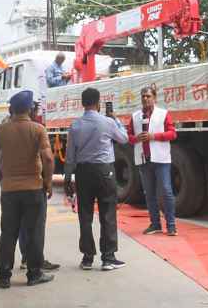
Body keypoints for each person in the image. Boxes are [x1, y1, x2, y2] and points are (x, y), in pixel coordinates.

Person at [0, 91, 55, 288]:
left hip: (9, 190)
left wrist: (1, 176)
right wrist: (48, 182)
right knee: (34, 232)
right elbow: (49, 158)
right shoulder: (38, 129)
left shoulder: (1, 130)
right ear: (30, 109)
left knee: (8, 232)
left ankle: (4, 276)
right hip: (34, 189)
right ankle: (34, 274)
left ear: (11, 110)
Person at [63, 87, 128, 271]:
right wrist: (115, 118)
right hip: (104, 172)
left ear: (83, 104)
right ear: (98, 103)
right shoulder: (107, 122)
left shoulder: (75, 126)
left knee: (85, 215)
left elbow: (70, 155)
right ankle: (108, 257)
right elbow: (123, 139)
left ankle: (87, 258)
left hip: (83, 172)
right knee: (107, 212)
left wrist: (68, 177)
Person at [128, 86, 178, 236]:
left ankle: (171, 225)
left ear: (154, 98)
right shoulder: (135, 116)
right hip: (144, 159)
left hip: (161, 159)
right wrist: (135, 139)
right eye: (143, 96)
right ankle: (155, 224)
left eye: (148, 96)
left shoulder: (163, 114)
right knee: (149, 194)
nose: (145, 99)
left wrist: (153, 136)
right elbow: (128, 136)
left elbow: (173, 134)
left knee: (166, 191)